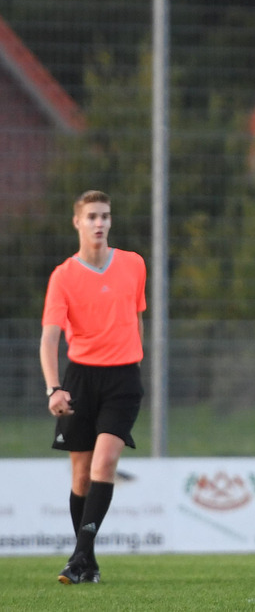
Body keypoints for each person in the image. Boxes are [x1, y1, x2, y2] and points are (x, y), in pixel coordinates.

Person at [41, 190, 147, 585]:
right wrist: (55, 388)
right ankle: (88, 562)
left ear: (110, 221)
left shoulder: (134, 264)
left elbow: (137, 316)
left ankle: (79, 557)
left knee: (105, 463)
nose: (99, 223)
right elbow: (50, 339)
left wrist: (135, 359)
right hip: (80, 379)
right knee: (81, 475)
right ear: (78, 223)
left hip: (122, 379)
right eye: (91, 217)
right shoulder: (63, 276)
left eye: (104, 216)